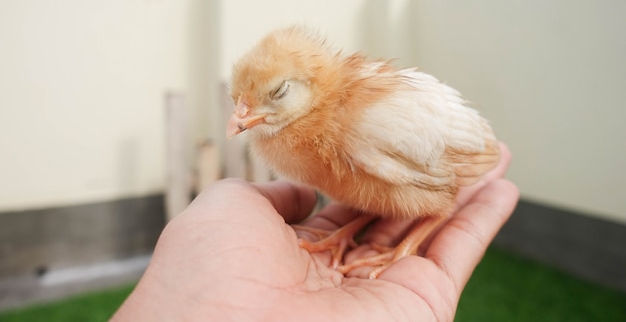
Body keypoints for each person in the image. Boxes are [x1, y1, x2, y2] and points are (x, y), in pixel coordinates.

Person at [111, 144, 518, 322]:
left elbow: (444, 188)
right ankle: (364, 233)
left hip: (442, 168)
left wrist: (403, 249)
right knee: (379, 200)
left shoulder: (354, 129)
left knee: (432, 202)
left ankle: (404, 244)